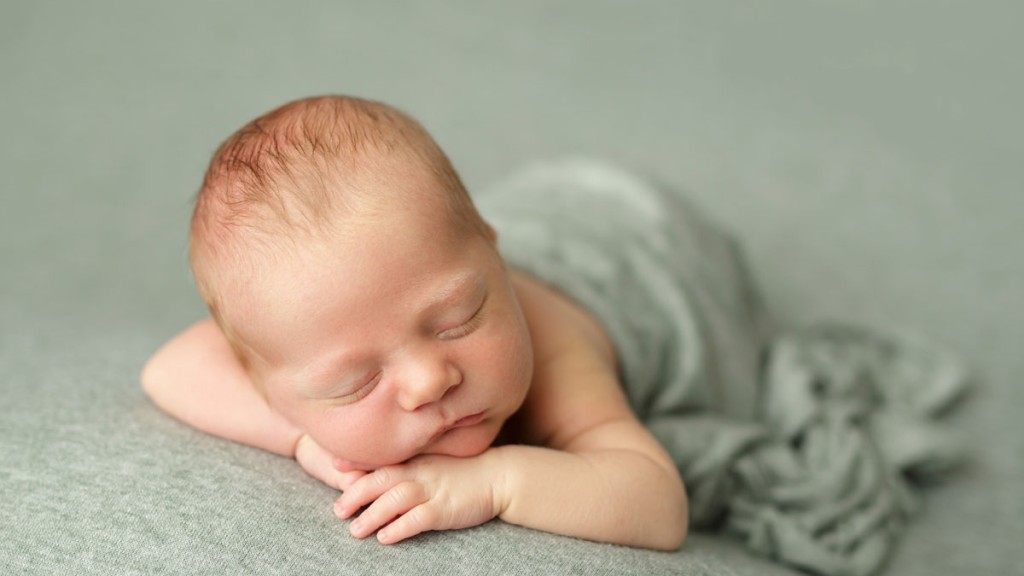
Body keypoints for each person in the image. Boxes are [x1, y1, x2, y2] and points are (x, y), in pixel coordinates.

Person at [141, 95, 689, 550]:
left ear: (495, 259)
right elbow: (167, 370)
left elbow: (657, 504)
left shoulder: (555, 352)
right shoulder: (308, 330)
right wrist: (303, 440)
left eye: (459, 320)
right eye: (357, 382)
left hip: (646, 254)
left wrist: (496, 482)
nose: (430, 381)